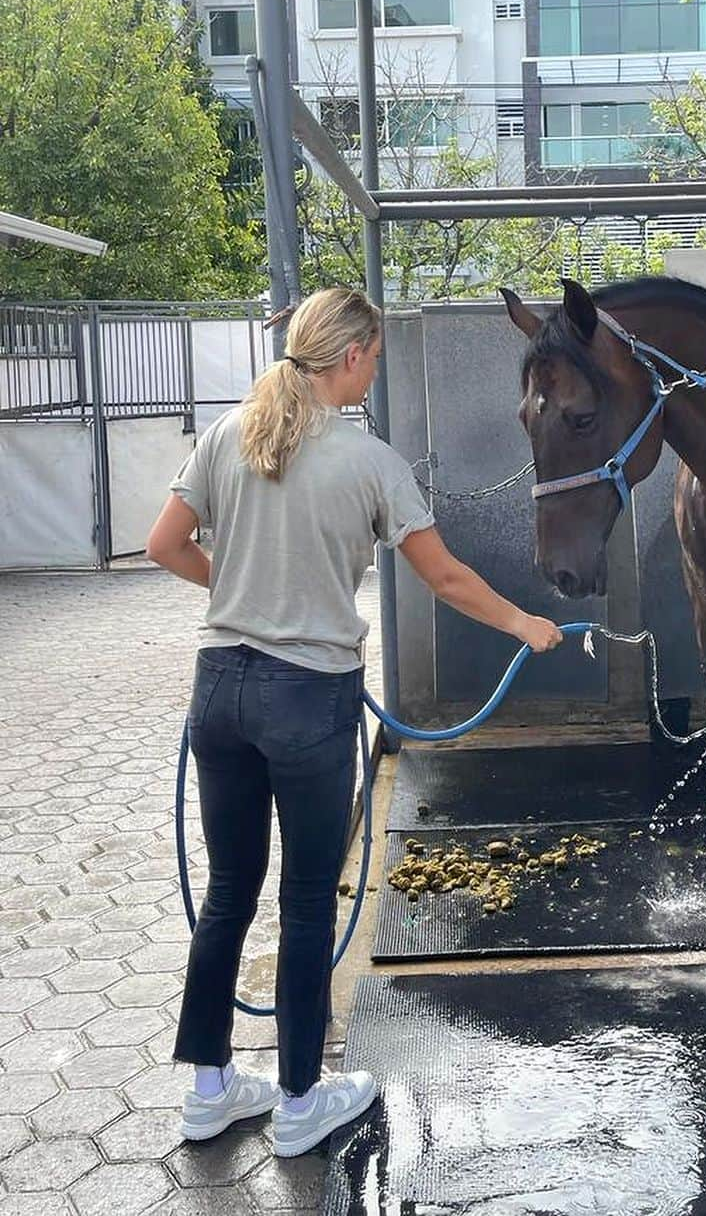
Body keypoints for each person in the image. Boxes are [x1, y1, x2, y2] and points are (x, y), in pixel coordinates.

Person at [146, 287, 562, 1157]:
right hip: (308, 698)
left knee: (227, 894)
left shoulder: (231, 434)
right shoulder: (371, 460)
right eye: (371, 356)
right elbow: (443, 578)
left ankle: (210, 1090)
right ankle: (299, 1101)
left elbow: (164, 546)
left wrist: (236, 592)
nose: (372, 369)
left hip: (218, 689)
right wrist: (526, 624)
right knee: (304, 904)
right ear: (350, 357)